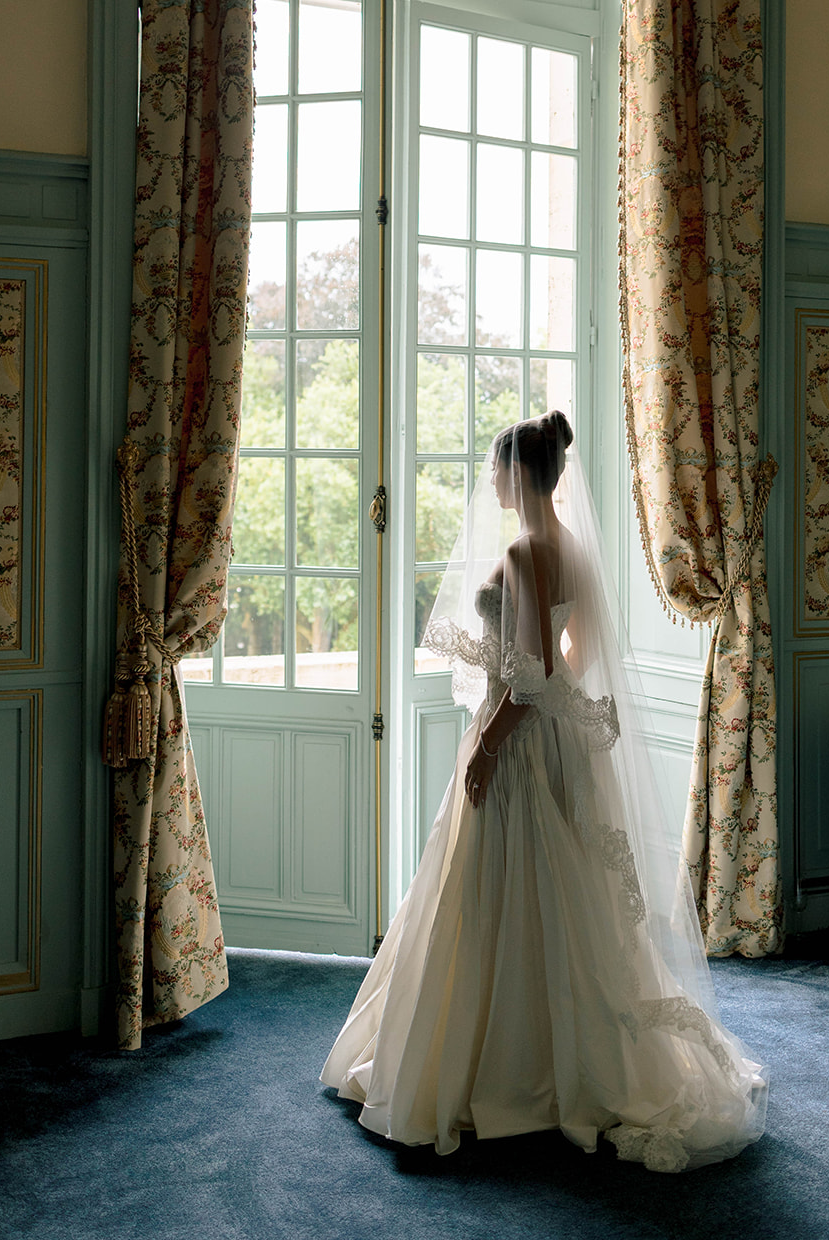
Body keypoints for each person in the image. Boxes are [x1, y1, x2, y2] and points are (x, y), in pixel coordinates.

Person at [321, 412, 766, 1172]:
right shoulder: (571, 549)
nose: (488, 481)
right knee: (562, 895)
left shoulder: (528, 551)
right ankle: (556, 1048)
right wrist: (540, 708)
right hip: (553, 738)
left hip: (518, 738)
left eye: (494, 468)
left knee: (495, 892)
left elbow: (535, 675)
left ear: (517, 474)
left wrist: (491, 745)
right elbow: (575, 656)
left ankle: (506, 1071)